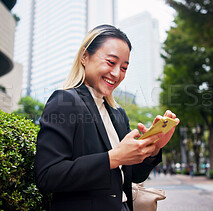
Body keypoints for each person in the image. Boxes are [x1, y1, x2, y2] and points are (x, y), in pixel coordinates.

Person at [34, 24, 180, 211]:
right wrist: (114, 157)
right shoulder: (64, 101)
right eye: (111, 62)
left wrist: (154, 146)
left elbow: (133, 176)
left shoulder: (118, 114)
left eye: (124, 68)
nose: (117, 74)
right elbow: (47, 176)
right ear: (84, 57)